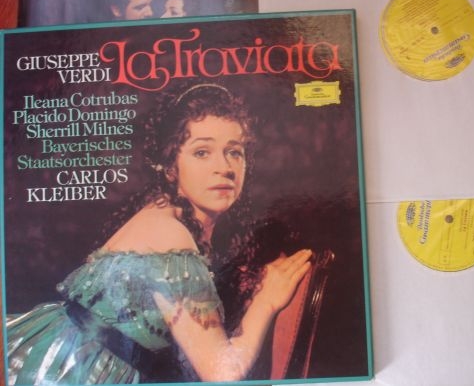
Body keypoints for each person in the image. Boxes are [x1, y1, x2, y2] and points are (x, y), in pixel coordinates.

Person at [6, 83, 312, 384]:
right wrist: (266, 301)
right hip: (67, 370)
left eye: (234, 152)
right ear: (170, 166)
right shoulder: (169, 236)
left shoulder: (168, 215)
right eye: (202, 152)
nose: (224, 167)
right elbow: (222, 374)